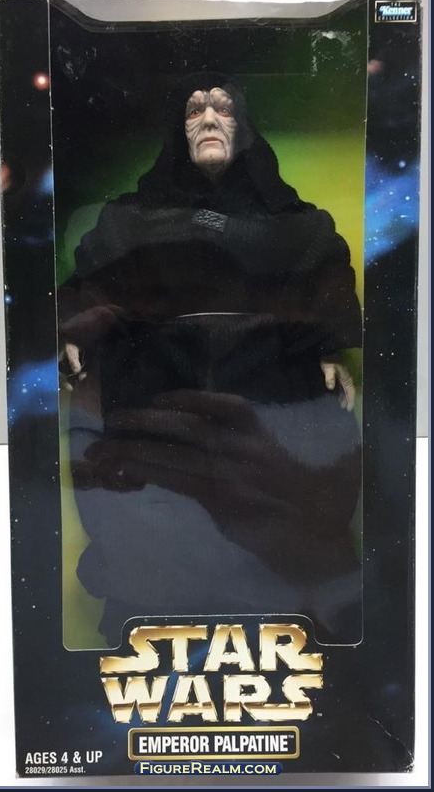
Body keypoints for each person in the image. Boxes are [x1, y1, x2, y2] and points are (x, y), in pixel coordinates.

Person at [59, 72, 362, 646]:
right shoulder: (129, 219)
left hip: (263, 370)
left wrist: (324, 346)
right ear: (180, 131)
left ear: (242, 126)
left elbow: (318, 275)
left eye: (222, 108)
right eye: (194, 110)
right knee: (151, 490)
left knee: (289, 467)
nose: (208, 119)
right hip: (156, 371)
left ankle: (269, 608)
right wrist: (77, 331)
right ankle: (157, 612)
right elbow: (93, 280)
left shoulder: (292, 221)